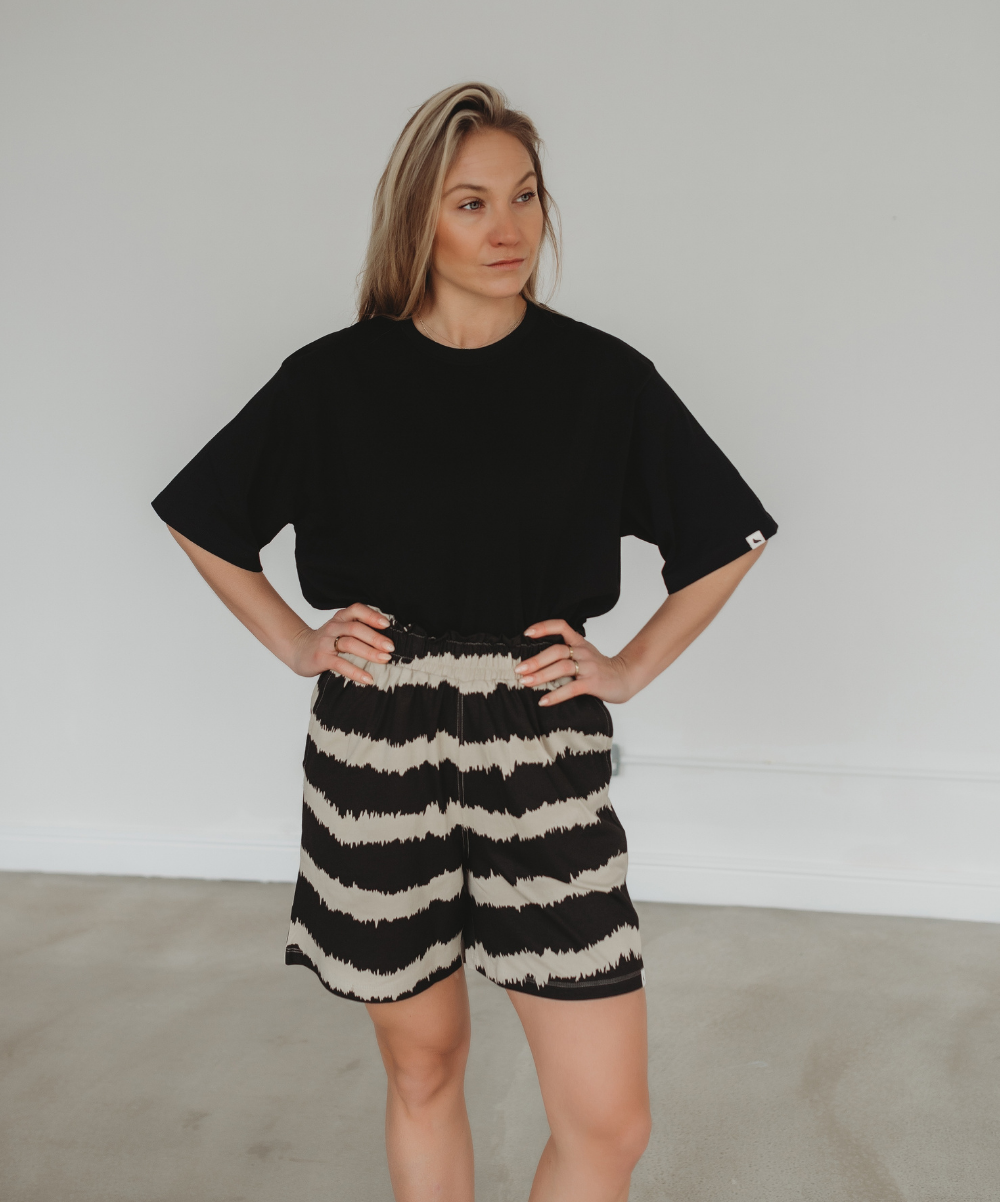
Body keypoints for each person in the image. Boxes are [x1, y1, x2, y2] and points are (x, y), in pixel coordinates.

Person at [151, 82, 778, 1202]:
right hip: (376, 743)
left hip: (539, 743)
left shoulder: (601, 378)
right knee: (426, 1065)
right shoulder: (332, 380)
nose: (509, 229)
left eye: (525, 197)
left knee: (610, 1121)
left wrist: (626, 665)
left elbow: (727, 534)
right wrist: (298, 642)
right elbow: (204, 515)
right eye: (472, 203)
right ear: (418, 221)